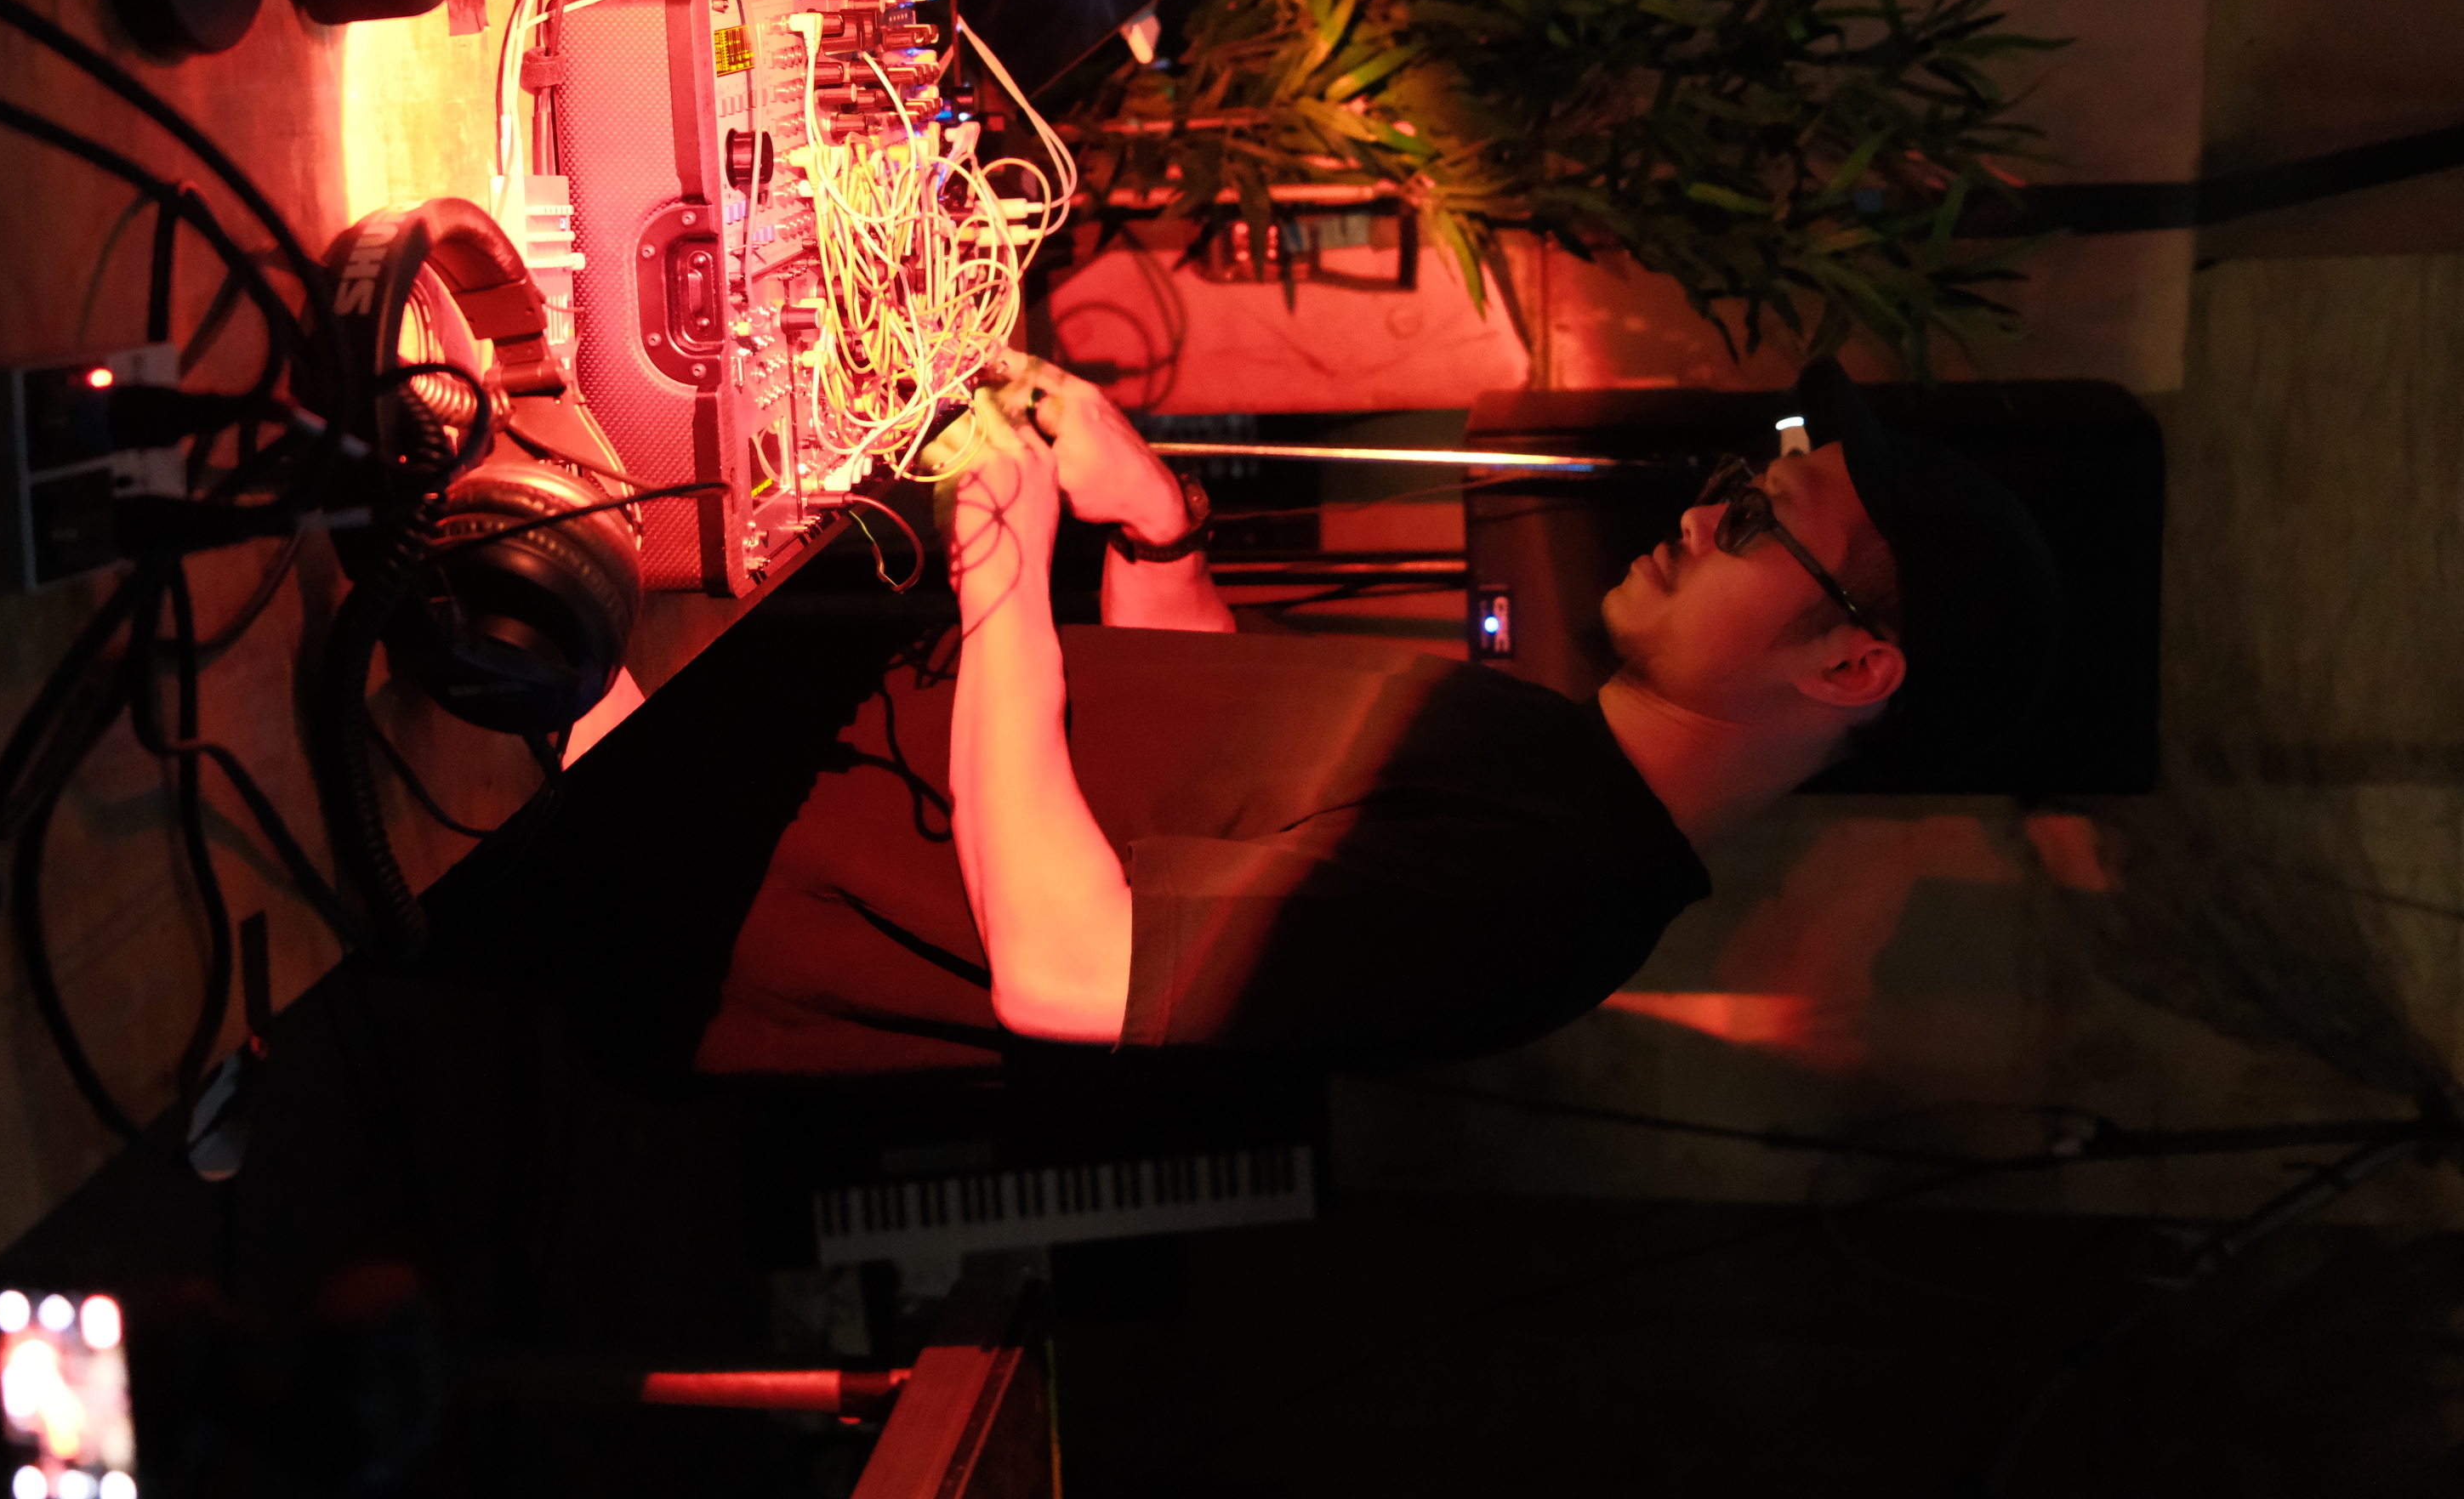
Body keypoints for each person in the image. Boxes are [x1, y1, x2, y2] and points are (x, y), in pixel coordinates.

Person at [422, 355, 2063, 1085]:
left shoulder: (1550, 904)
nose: (1703, 514)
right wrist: (1154, 526)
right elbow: (1203, 760)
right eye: (1733, 483)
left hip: (662, 864)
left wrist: (1006, 582)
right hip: (710, 746)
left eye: (1759, 522)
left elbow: (1076, 967)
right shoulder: (1555, 757)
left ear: (1849, 669)